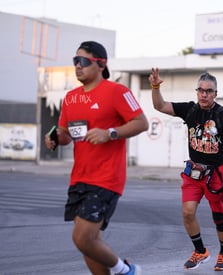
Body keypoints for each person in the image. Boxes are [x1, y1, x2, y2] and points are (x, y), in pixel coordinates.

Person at [44, 41, 148, 275]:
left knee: (82, 238)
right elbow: (66, 135)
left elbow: (141, 122)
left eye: (83, 61)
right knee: (89, 244)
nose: (77, 66)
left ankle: (127, 270)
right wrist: (54, 138)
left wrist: (110, 133)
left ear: (100, 64)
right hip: (79, 177)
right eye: (75, 61)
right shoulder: (70, 98)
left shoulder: (117, 91)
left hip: (106, 177)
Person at [149, 68, 223, 271]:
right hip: (194, 172)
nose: (204, 94)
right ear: (197, 91)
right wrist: (155, 86)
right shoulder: (190, 110)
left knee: (219, 218)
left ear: (215, 93)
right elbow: (160, 105)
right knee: (187, 213)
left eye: (208, 91)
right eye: (200, 90)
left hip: (218, 174)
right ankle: (200, 251)